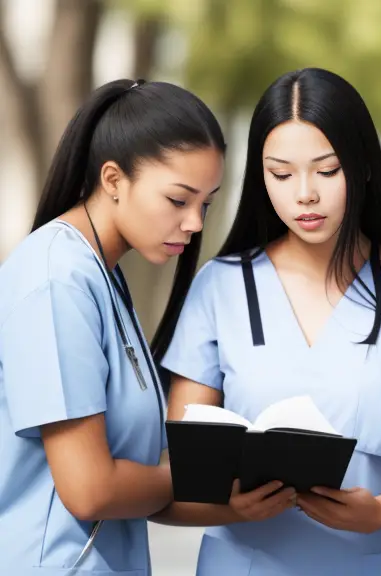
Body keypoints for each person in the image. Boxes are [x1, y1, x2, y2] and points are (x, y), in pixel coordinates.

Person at [153, 67, 381, 575]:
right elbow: (184, 465)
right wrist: (229, 507)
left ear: (361, 167)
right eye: (281, 173)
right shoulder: (222, 285)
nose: (305, 194)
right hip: (246, 561)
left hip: (377, 561)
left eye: (326, 169)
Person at [0, 78, 226, 575]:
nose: (195, 223)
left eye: (205, 204)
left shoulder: (102, 274)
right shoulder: (55, 279)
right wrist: (209, 477)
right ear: (113, 179)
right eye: (178, 200)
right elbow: (90, 489)